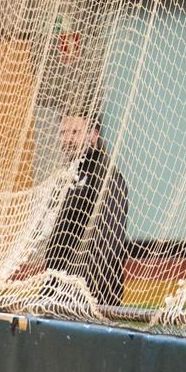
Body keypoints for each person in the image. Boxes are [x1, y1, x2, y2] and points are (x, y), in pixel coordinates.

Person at [44, 113, 130, 307]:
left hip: (91, 298)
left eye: (75, 132)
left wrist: (85, 295)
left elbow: (107, 242)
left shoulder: (107, 177)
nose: (68, 139)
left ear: (93, 135)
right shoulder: (67, 176)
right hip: (60, 293)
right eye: (64, 132)